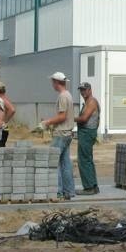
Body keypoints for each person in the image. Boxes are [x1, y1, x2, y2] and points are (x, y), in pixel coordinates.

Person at [41, 71, 75, 201]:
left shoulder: (62, 96)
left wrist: (47, 122)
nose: (52, 84)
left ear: (56, 82)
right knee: (65, 163)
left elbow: (62, 116)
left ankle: (58, 192)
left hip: (61, 134)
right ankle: (69, 191)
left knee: (54, 162)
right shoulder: (68, 95)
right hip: (67, 133)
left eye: (52, 82)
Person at [74, 82, 100, 195]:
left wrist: (70, 118)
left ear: (90, 90)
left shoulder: (92, 102)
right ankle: (93, 186)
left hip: (87, 133)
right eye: (81, 90)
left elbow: (84, 119)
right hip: (86, 133)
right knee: (87, 160)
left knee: (84, 161)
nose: (82, 92)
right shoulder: (87, 102)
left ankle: (89, 188)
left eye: (84, 90)